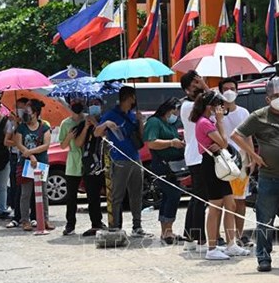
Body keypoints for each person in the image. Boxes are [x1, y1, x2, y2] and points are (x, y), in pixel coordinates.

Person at [232, 77, 279, 273]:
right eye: (275, 96)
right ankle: (263, 257)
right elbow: (236, 135)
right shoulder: (258, 116)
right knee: (265, 220)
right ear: (267, 99)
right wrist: (254, 155)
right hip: (269, 177)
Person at [191, 90, 250, 260]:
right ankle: (211, 247)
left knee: (230, 204)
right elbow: (224, 142)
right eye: (218, 105)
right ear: (210, 106)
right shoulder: (204, 122)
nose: (221, 108)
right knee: (215, 207)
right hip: (212, 166)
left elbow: (221, 144)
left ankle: (231, 244)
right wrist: (220, 122)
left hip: (219, 164)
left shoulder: (207, 121)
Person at [100, 86, 149, 237]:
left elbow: (141, 137)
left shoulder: (133, 115)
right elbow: (97, 132)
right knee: (117, 195)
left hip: (135, 157)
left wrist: (140, 122)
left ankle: (137, 225)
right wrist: (106, 124)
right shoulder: (111, 114)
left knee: (136, 193)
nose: (135, 100)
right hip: (120, 159)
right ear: (128, 97)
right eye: (133, 97)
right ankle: (115, 226)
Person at [61, 97, 112, 236]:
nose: (94, 106)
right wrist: (86, 127)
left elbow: (105, 136)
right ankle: (89, 223)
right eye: (91, 104)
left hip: (106, 163)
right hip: (87, 164)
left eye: (97, 104)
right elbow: (77, 144)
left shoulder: (106, 120)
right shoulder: (80, 123)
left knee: (111, 195)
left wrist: (95, 123)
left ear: (102, 106)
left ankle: (113, 223)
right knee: (90, 196)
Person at [143, 97, 186, 244]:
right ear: (169, 109)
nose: (177, 114)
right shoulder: (154, 122)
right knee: (172, 194)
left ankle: (167, 231)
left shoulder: (170, 124)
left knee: (170, 196)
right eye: (176, 111)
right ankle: (167, 230)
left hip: (173, 165)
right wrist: (171, 143)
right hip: (161, 165)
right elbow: (151, 143)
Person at [218, 77, 254, 248]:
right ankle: (228, 238)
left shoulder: (244, 112)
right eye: (225, 88)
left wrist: (252, 157)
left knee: (240, 200)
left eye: (232, 88)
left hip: (242, 160)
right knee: (226, 201)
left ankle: (239, 236)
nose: (229, 91)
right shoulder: (216, 113)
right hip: (224, 162)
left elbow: (248, 136)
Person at [180, 70, 212, 252]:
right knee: (201, 197)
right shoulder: (187, 107)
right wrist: (205, 88)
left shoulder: (199, 104)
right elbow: (212, 101)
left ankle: (190, 236)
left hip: (201, 155)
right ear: (186, 90)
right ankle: (200, 239)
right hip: (197, 156)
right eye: (194, 86)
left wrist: (204, 86)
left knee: (197, 197)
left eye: (199, 83)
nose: (198, 88)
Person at [15, 99, 54, 232]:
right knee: (26, 193)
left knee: (43, 193)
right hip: (26, 164)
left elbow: (46, 145)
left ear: (36, 112)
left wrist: (30, 152)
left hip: (41, 164)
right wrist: (30, 156)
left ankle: (45, 219)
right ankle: (25, 220)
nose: (26, 113)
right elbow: (19, 144)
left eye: (28, 111)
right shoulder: (21, 127)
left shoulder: (44, 127)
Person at [6, 97, 36, 228]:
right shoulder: (16, 125)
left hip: (35, 160)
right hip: (19, 159)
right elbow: (9, 141)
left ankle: (36, 216)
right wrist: (16, 128)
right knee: (19, 190)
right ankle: (19, 217)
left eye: (22, 107)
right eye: (17, 107)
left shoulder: (40, 125)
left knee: (37, 190)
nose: (19, 110)